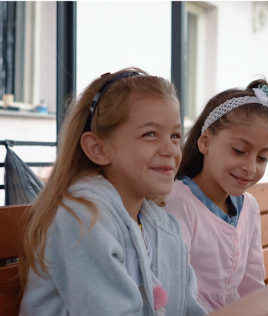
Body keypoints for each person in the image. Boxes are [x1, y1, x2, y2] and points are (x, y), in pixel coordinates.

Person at [19, 68, 207, 316]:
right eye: (150, 134)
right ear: (98, 148)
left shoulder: (163, 225)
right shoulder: (81, 218)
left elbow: (187, 308)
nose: (171, 149)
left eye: (175, 135)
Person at [164, 79, 268, 312]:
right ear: (205, 141)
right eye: (239, 151)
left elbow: (253, 285)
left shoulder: (249, 206)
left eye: (262, 158)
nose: (250, 167)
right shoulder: (178, 203)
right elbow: (175, 295)